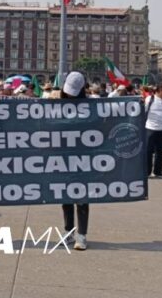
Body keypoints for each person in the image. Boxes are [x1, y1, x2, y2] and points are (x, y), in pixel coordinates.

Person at [60, 72, 90, 250]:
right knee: (65, 196)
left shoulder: (90, 106)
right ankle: (69, 231)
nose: (70, 95)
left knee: (82, 197)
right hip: (63, 157)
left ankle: (82, 235)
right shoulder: (58, 105)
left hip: (84, 158)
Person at [144, 83, 162, 178]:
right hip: (150, 128)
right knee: (148, 151)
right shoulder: (150, 99)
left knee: (160, 152)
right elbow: (143, 111)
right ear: (160, 90)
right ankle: (147, 172)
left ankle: (157, 172)